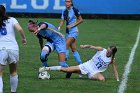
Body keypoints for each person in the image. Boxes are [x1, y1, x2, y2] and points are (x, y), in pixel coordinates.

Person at [39, 44, 119, 81]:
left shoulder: (111, 60)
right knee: (66, 70)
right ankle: (46, 68)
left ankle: (79, 73)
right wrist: (84, 46)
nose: (107, 52)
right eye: (108, 50)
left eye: (109, 51)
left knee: (102, 79)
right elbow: (92, 46)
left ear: (112, 53)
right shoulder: (102, 50)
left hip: (95, 72)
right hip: (87, 65)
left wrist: (117, 79)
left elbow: (114, 69)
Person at [0, 5, 27, 93]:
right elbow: (20, 29)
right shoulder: (12, 19)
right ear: (5, 12)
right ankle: (13, 91)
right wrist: (23, 38)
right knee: (13, 72)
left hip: (1, 49)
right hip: (13, 48)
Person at [58, 0, 83, 65]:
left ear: (71, 3)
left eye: (68, 1)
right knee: (74, 49)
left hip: (74, 31)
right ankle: (81, 64)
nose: (67, 3)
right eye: (66, 2)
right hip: (68, 32)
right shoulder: (64, 11)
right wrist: (59, 27)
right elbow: (62, 20)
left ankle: (64, 61)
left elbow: (81, 20)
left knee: (66, 44)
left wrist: (72, 25)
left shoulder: (75, 10)